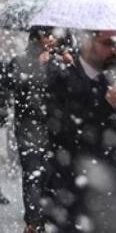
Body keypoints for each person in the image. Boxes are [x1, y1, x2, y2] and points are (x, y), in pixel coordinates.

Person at [44, 29, 116, 233]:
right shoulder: (62, 77)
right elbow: (62, 132)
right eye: (108, 43)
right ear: (87, 42)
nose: (115, 50)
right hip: (73, 194)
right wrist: (104, 105)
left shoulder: (114, 77)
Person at [2, 26, 72, 232]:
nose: (52, 39)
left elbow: (70, 90)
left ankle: (46, 216)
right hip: (29, 127)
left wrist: (69, 66)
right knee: (33, 175)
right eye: (48, 35)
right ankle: (34, 221)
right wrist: (36, 68)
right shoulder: (20, 61)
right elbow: (10, 85)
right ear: (37, 38)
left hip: (54, 127)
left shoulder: (59, 60)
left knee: (51, 174)